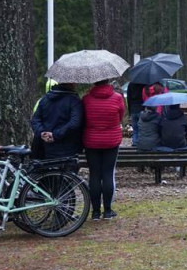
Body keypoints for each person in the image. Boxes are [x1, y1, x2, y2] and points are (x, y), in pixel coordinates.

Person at [81, 78, 126, 220]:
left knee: (94, 174)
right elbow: (120, 117)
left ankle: (95, 212)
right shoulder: (117, 98)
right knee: (108, 174)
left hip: (91, 141)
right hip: (111, 140)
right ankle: (107, 210)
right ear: (108, 81)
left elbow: (83, 119)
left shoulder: (86, 99)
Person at [30, 82, 83, 161]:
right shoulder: (74, 100)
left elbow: (35, 119)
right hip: (68, 148)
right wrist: (55, 135)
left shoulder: (45, 98)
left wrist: (42, 133)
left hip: (46, 147)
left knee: (48, 168)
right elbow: (75, 123)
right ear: (72, 84)